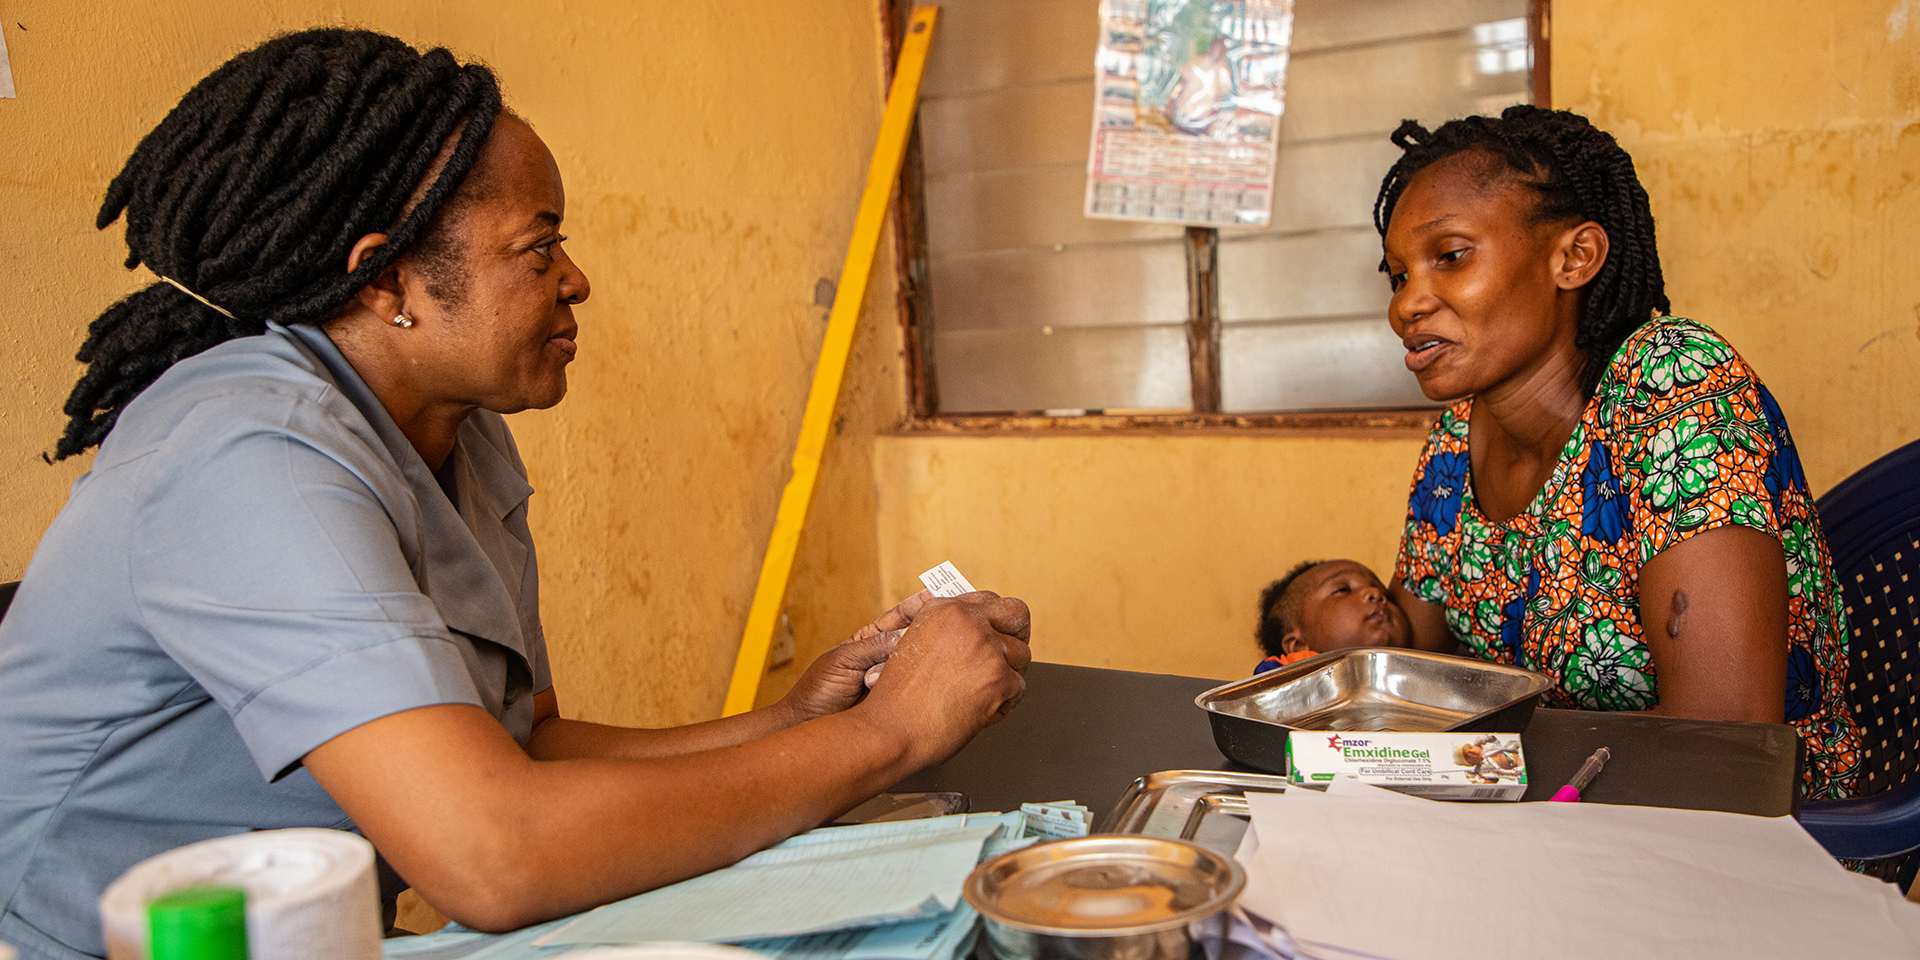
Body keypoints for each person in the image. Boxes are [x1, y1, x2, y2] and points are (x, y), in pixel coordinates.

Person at [0, 30, 1031, 960]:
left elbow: (524, 746)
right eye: (538, 249)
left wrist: (794, 717)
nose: (576, 279)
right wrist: (890, 733)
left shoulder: (461, 433)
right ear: (386, 283)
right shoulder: (248, 450)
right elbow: (491, 854)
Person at [1374, 105, 1859, 799]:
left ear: (1574, 258)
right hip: (1548, 816)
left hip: (1748, 837)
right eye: (1397, 276)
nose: (1407, 305)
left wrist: (1488, 770)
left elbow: (1725, 741)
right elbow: (1408, 663)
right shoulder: (1457, 439)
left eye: (1449, 257)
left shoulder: (1674, 385)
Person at [1252, 559, 1412, 674]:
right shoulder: (1282, 676)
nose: (1376, 593)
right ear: (1298, 646)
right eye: (1343, 590)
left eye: (1383, 591)